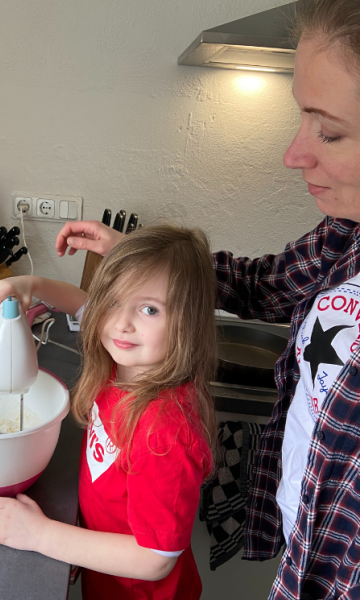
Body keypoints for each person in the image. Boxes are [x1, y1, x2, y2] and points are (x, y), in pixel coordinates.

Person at [49, 2, 360, 597]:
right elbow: (266, 283)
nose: (293, 155)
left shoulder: (166, 424)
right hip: (305, 556)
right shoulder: (346, 234)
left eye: (330, 132)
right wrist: (148, 266)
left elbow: (154, 556)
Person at [0, 226, 217, 600]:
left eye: (150, 309)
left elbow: (154, 558)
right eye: (114, 300)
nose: (122, 322)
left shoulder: (164, 433)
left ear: (189, 323)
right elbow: (81, 303)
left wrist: (38, 534)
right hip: (105, 578)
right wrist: (30, 284)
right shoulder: (126, 362)